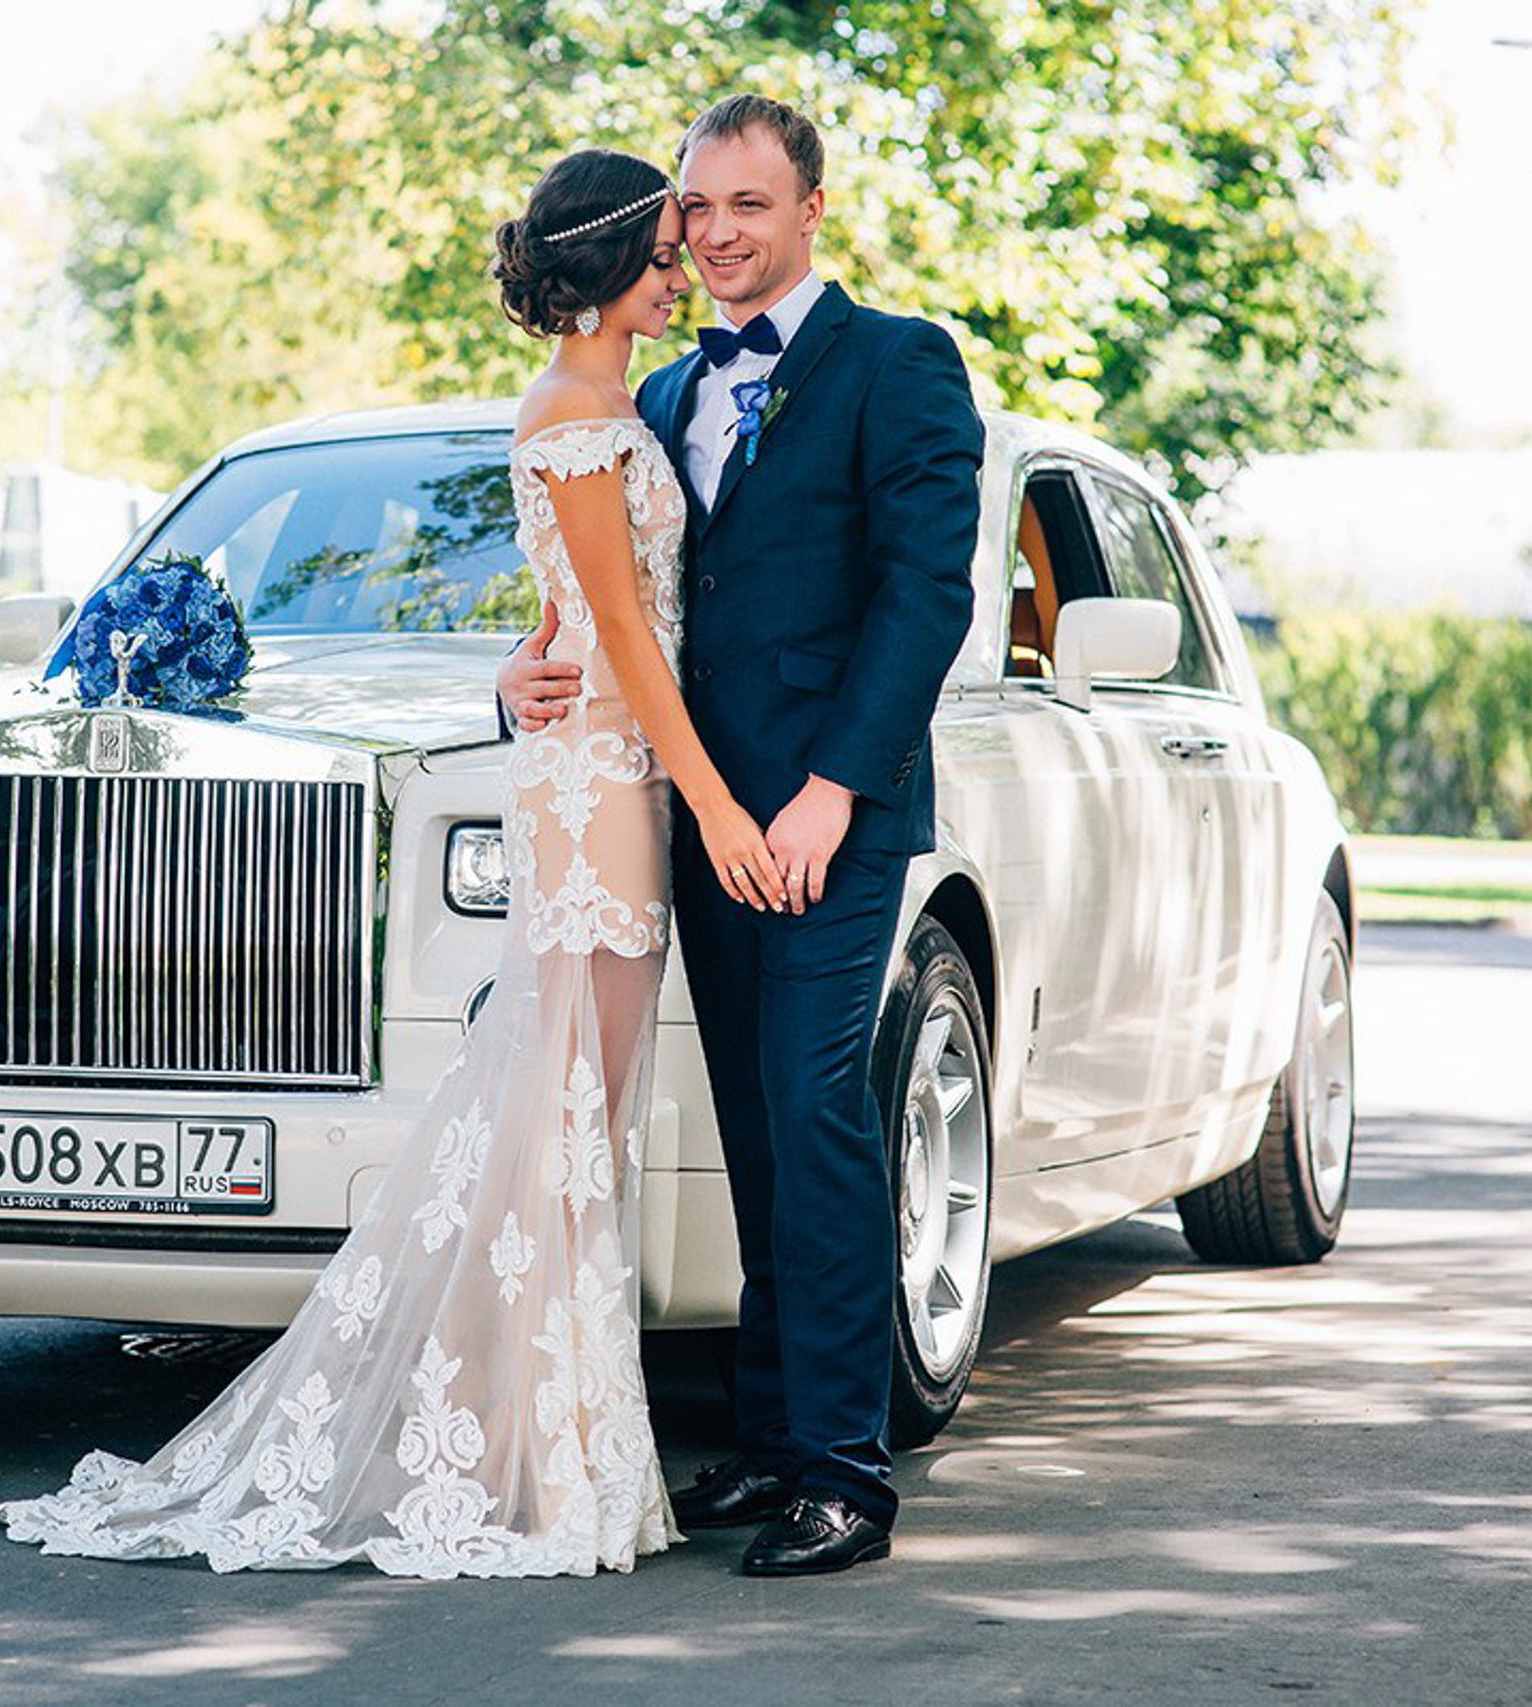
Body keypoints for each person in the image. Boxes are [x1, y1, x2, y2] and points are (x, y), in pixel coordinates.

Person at [0, 146, 785, 1578]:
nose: (686, 269)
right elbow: (633, 651)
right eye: (667, 249)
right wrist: (716, 803)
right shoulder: (580, 424)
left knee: (568, 1127)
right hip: (603, 789)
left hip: (597, 771)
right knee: (561, 1122)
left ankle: (528, 1438)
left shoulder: (598, 405)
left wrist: (526, 677)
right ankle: (509, 1454)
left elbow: (570, 626)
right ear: (610, 271)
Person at [496, 94, 983, 1577]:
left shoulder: (899, 363)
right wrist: (518, 675)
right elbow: (614, 610)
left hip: (827, 818)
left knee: (816, 1109)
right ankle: (773, 1442)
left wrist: (833, 788)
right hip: (695, 823)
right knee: (759, 1134)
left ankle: (844, 1469)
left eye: (745, 207)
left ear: (810, 209)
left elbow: (924, 593)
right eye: (695, 210)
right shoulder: (656, 400)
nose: (712, 235)